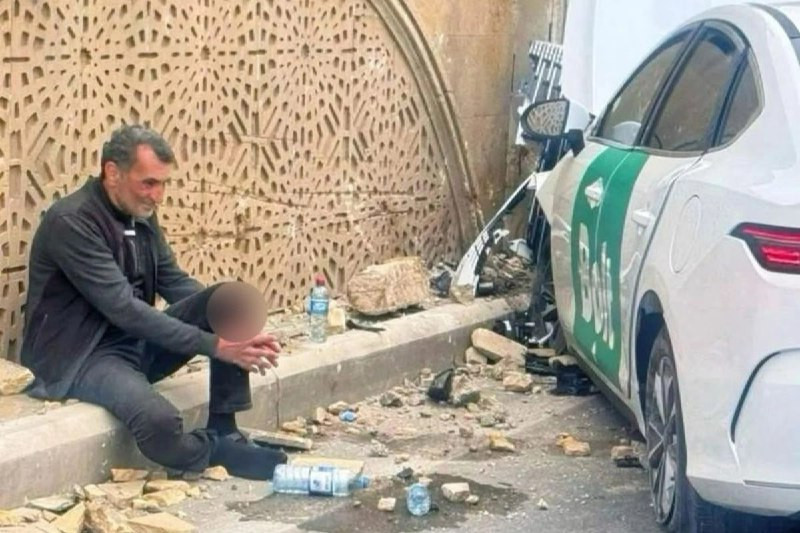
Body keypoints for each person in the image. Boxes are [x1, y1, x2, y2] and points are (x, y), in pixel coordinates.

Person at [20, 124, 287, 480]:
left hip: (136, 343)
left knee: (231, 302)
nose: (157, 196)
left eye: (162, 184)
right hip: (84, 357)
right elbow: (124, 309)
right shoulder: (72, 222)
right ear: (112, 173)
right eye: (148, 183)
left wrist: (234, 332)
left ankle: (226, 430)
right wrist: (217, 346)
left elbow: (172, 280)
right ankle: (210, 450)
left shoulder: (139, 213)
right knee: (159, 422)